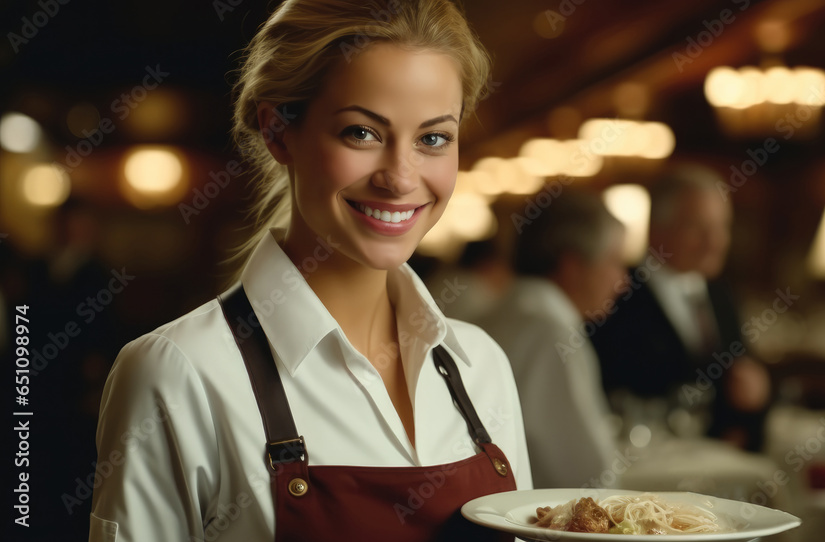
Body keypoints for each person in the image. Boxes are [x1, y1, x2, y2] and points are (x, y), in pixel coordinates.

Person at [89, 2, 531, 541]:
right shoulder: (178, 372)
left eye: (433, 138)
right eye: (362, 133)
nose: (400, 177)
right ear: (278, 131)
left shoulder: (482, 365)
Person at [590, 163, 771, 451]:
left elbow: (740, 376)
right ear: (656, 229)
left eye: (721, 227)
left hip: (715, 465)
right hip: (642, 465)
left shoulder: (721, 294)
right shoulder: (616, 292)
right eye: (697, 227)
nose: (714, 242)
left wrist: (756, 394)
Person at [478, 189, 626, 489]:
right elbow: (589, 473)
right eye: (614, 261)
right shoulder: (550, 333)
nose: (622, 280)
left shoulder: (501, 312)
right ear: (571, 266)